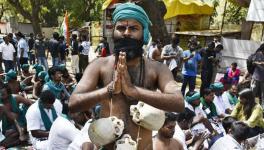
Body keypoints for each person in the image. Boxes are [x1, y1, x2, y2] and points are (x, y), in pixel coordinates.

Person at [69, 3, 184, 149]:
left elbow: (178, 103)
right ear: (114, 32)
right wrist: (109, 90)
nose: (126, 33)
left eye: (134, 28)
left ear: (144, 33)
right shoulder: (99, 65)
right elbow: (73, 103)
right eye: (121, 28)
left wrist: (133, 91)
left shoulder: (158, 69)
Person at [0, 82, 33, 148]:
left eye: (3, 94)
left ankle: (23, 133)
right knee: (8, 134)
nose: (1, 95)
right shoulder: (1, 106)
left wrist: (30, 116)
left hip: (20, 121)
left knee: (13, 133)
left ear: (8, 93)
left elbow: (30, 103)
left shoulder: (16, 97)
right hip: (7, 125)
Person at [250, 43, 264, 108]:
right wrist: (257, 63)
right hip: (256, 77)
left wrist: (259, 63)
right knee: (252, 93)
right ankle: (250, 107)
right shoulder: (258, 54)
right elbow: (252, 62)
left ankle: (262, 109)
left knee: (262, 95)